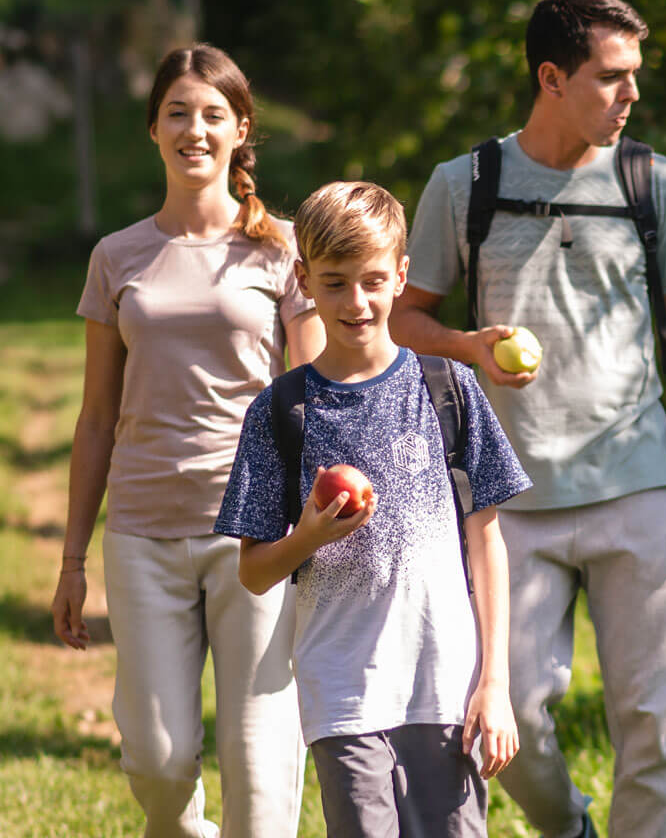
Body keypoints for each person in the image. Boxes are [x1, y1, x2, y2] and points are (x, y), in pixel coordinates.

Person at [391, 0, 666, 838]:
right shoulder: (465, 182)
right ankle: (570, 829)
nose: (631, 96)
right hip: (508, 501)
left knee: (653, 729)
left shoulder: (652, 182)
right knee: (507, 726)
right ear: (551, 76)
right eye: (611, 77)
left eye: (635, 77)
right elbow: (404, 316)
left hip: (639, 486)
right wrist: (471, 346)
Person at [53, 43, 321, 838]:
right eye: (177, 113)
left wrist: (315, 528)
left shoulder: (283, 248)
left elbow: (310, 398)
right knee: (158, 762)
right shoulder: (118, 256)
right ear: (153, 130)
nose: (194, 130)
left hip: (257, 536)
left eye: (212, 115)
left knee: (262, 776)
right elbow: (97, 417)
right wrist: (73, 560)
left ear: (241, 130)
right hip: (143, 532)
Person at [213, 181, 528, 837]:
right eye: (333, 283)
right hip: (344, 691)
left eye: (373, 280)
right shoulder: (280, 411)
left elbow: (488, 542)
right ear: (302, 279)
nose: (356, 302)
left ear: (401, 276)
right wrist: (308, 534)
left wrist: (494, 683)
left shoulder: (449, 388)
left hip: (446, 688)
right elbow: (254, 571)